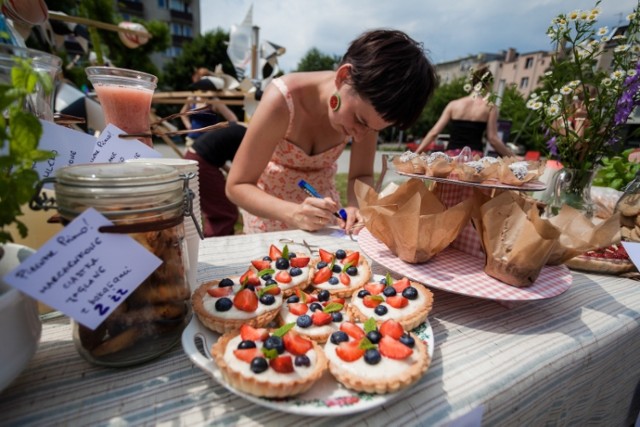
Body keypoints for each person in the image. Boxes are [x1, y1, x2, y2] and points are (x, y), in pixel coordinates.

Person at [226, 29, 437, 234]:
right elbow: (237, 185)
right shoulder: (281, 100)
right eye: (359, 120)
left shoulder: (371, 111)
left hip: (326, 220)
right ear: (344, 76)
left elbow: (361, 174)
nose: (360, 135)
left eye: (373, 129)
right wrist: (292, 212)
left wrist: (355, 206)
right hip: (269, 219)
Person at [414, 67, 514, 158]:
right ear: (488, 84)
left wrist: (417, 152)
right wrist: (512, 157)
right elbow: (493, 139)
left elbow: (434, 132)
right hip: (474, 157)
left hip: (451, 156)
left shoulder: (453, 104)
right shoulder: (490, 107)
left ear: (472, 83)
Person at [184, 122, 246, 237]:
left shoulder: (235, 128)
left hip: (193, 159)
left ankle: (220, 239)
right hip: (201, 164)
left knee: (217, 209)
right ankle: (215, 244)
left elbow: (217, 155)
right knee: (225, 212)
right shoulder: (244, 136)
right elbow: (242, 171)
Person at [180, 67, 239, 148]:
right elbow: (183, 114)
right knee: (189, 160)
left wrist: (220, 133)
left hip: (208, 143)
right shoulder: (193, 98)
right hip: (192, 140)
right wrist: (189, 126)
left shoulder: (214, 101)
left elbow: (233, 119)